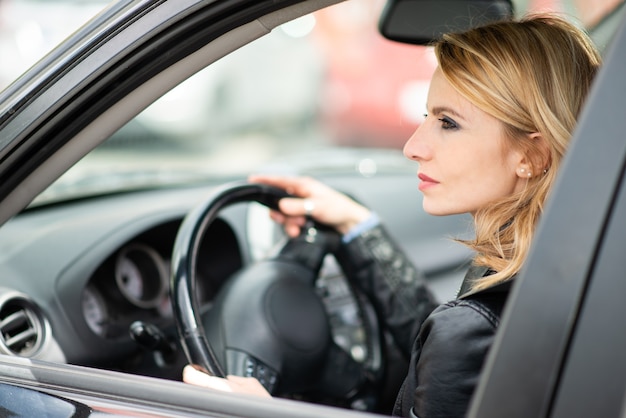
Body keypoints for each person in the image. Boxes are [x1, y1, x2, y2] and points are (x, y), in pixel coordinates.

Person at [183, 13, 601, 417]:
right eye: (426, 116)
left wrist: (263, 414)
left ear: (532, 154)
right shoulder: (567, 271)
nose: (413, 147)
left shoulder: (475, 326)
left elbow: (457, 340)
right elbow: (440, 347)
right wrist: (356, 228)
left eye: (448, 123)